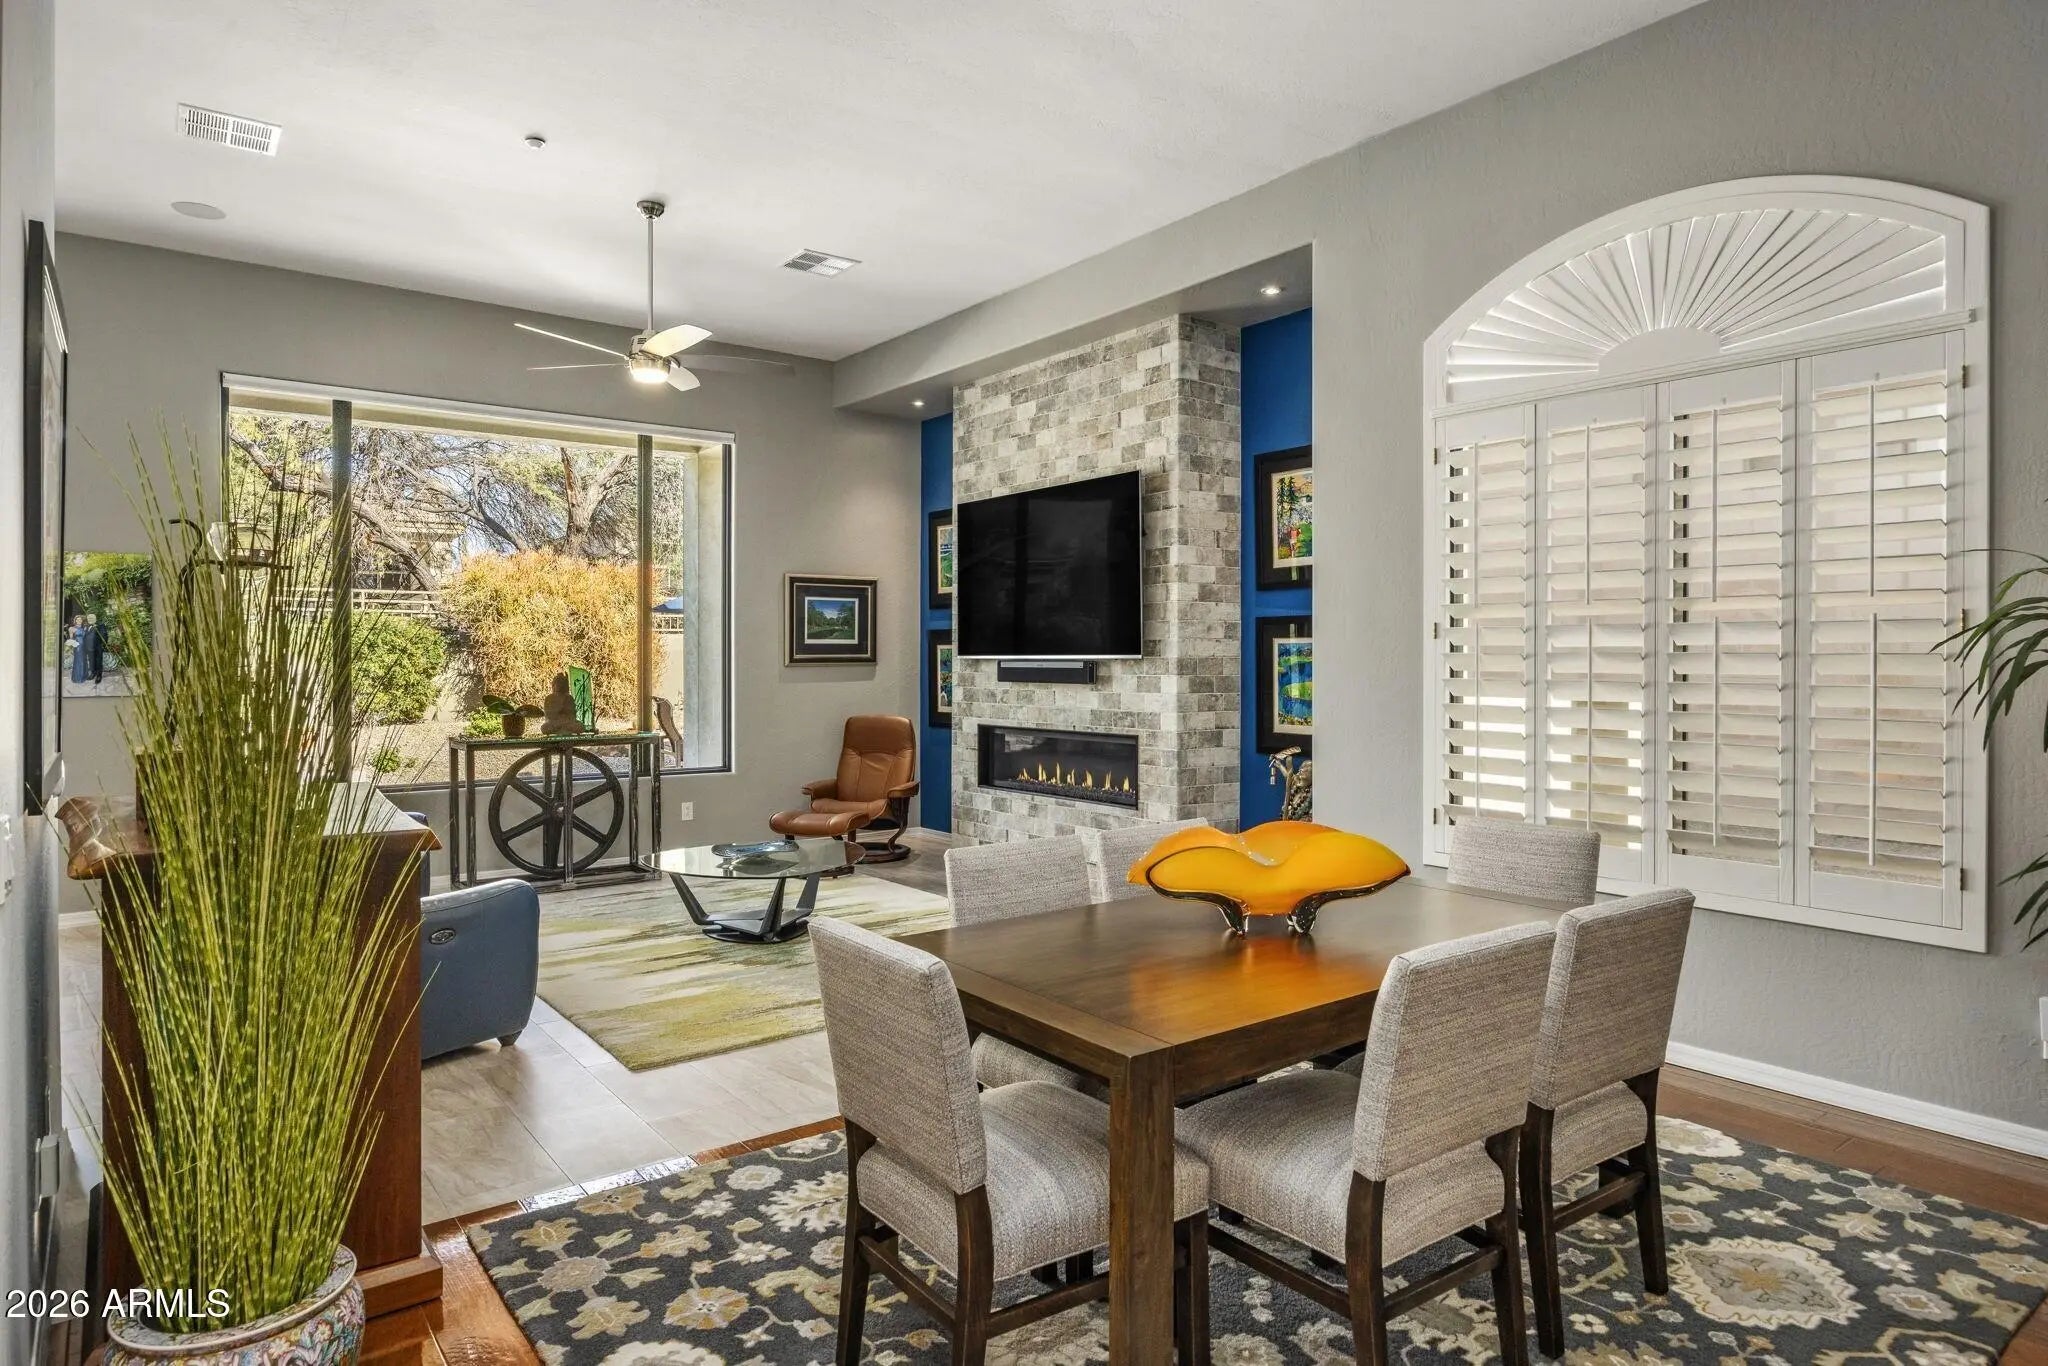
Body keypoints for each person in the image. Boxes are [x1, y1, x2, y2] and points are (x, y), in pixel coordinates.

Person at [83, 613, 106, 686]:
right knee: (91, 661)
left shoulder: (100, 625)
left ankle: (99, 676)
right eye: (89, 618)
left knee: (98, 662)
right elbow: (85, 637)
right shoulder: (86, 626)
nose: (90, 619)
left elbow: (104, 635)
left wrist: (102, 645)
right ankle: (93, 673)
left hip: (97, 648)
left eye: (92, 618)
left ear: (95, 619)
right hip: (89, 648)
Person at [67, 615, 86, 685]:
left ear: (82, 621)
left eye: (80, 619)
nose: (79, 621)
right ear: (75, 621)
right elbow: (71, 639)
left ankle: (83, 677)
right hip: (78, 647)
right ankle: (77, 678)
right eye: (77, 619)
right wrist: (72, 644)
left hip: (84, 647)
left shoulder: (84, 628)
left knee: (83, 661)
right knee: (78, 661)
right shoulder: (72, 628)